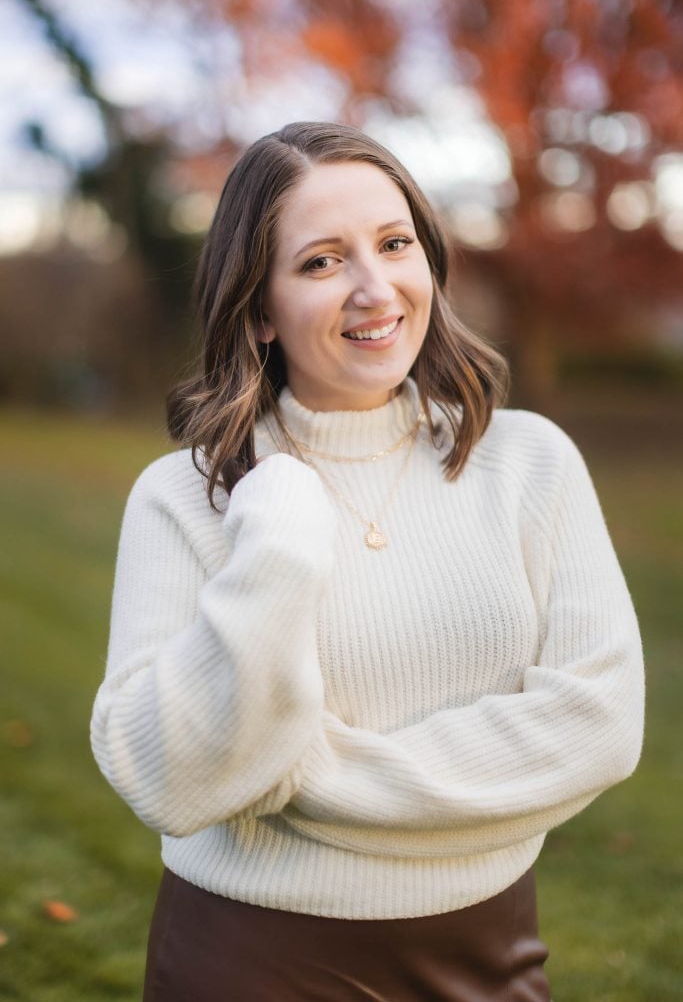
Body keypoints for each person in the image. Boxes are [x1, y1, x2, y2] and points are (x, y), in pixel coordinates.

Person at [90, 121, 645, 1001]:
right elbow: (168, 776)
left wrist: (292, 777)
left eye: (394, 244)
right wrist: (276, 538)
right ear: (260, 308)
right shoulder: (186, 498)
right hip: (249, 961)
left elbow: (598, 725)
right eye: (320, 262)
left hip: (489, 953)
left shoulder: (529, 463)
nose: (373, 287)